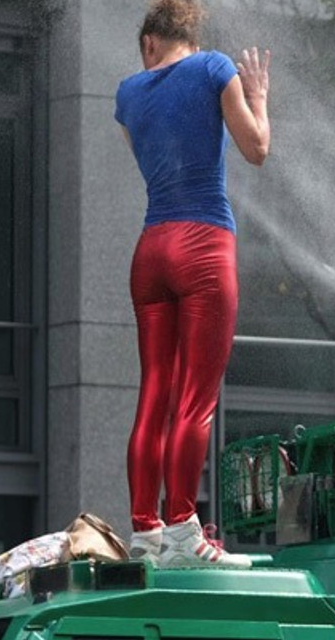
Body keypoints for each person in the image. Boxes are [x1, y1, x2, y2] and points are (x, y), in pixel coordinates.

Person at [114, 0, 270, 567]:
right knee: (195, 401)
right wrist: (257, 99)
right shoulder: (214, 68)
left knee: (154, 393)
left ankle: (145, 532)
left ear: (151, 43)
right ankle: (184, 533)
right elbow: (256, 149)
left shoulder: (128, 93)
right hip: (203, 244)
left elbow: (149, 160)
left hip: (151, 249)